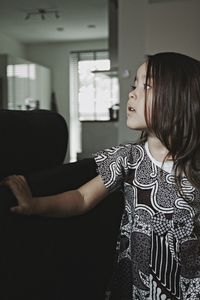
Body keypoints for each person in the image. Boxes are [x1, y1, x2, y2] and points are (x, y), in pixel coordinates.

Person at [3, 52, 200, 300]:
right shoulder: (128, 159)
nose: (132, 93)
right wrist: (35, 204)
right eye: (134, 85)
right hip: (134, 287)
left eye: (146, 86)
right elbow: (81, 198)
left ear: (180, 99)